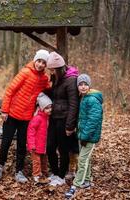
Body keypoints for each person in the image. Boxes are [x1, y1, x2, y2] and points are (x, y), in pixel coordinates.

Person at [0, 49, 50, 183]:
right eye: (39, 61)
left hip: (27, 118)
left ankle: (19, 171)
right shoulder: (25, 72)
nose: (40, 64)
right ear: (35, 60)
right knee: (6, 143)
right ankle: (0, 166)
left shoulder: (44, 79)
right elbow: (10, 91)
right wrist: (4, 111)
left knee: (21, 145)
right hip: (12, 115)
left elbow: (49, 89)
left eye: (44, 63)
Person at [65, 74, 103, 198]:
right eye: (80, 84)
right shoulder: (84, 98)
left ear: (89, 85)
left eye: (85, 84)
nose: (82, 86)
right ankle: (87, 181)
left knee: (82, 160)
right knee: (86, 159)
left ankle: (76, 185)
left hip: (89, 137)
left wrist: (85, 136)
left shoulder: (92, 99)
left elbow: (94, 120)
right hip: (83, 135)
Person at [45, 52, 80, 186]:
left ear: (59, 68)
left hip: (64, 119)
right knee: (50, 146)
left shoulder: (71, 80)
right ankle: (54, 173)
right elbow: (55, 95)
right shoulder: (57, 78)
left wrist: (70, 126)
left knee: (63, 149)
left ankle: (61, 175)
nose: (51, 72)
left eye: (53, 70)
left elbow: (73, 104)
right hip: (54, 117)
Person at [27, 92, 52, 183]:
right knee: (36, 161)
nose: (49, 110)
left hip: (44, 145)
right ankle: (36, 175)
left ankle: (44, 173)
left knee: (44, 161)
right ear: (41, 108)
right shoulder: (37, 118)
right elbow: (31, 132)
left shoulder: (47, 118)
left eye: (50, 107)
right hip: (36, 145)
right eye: (47, 108)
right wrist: (32, 144)